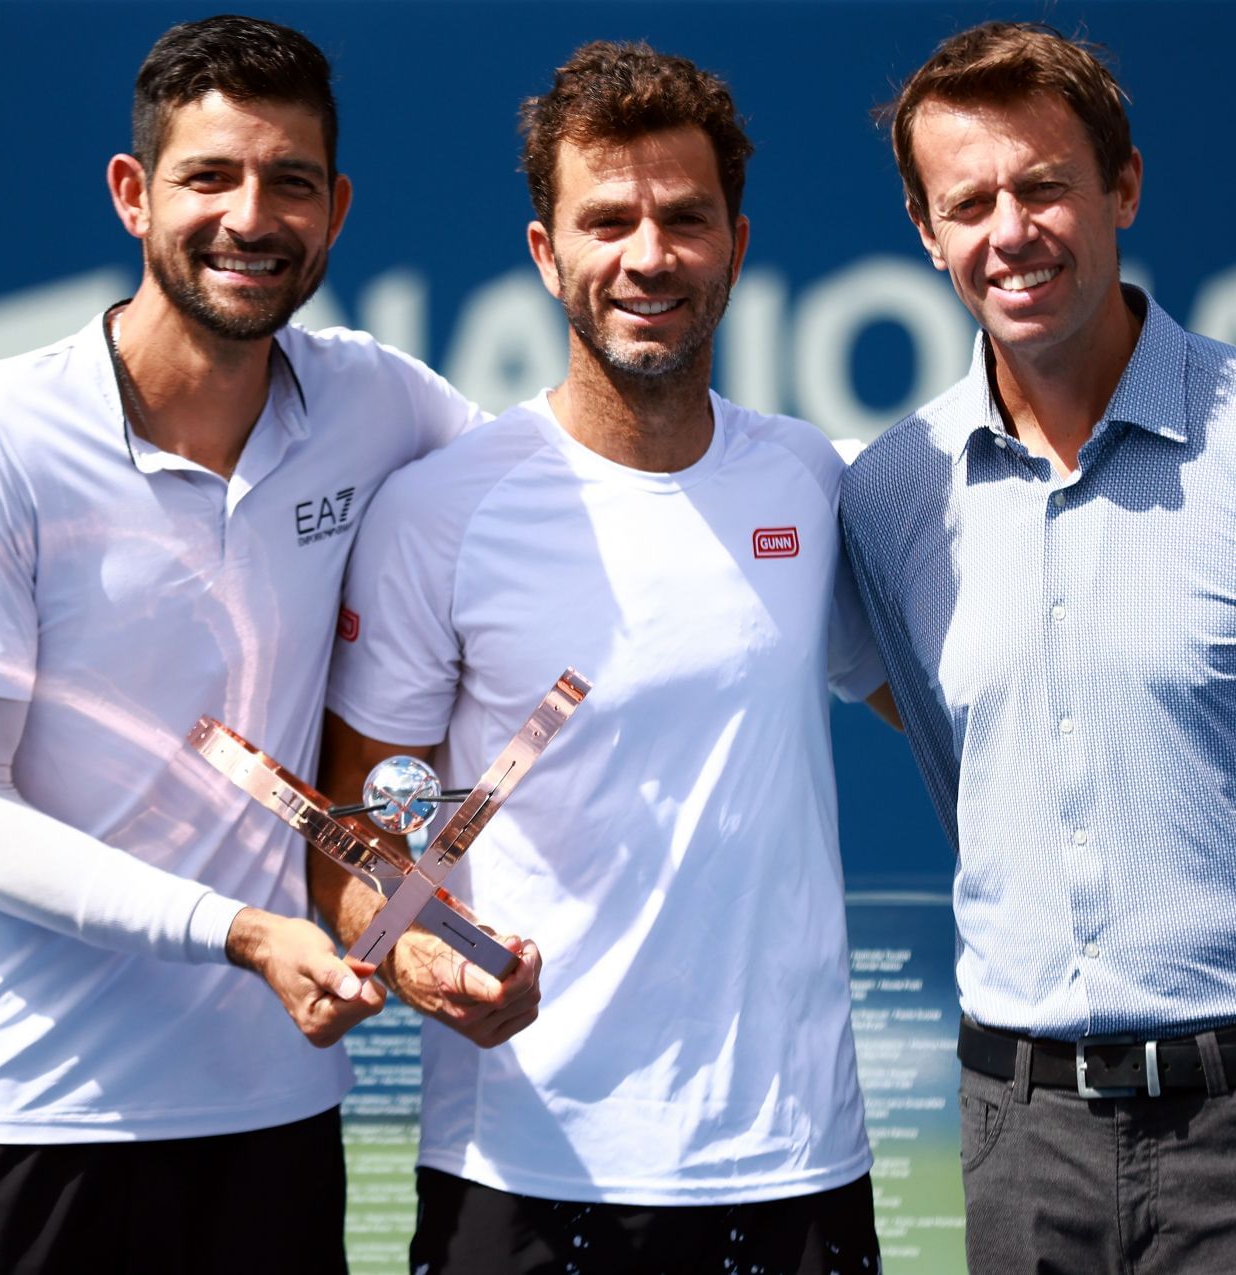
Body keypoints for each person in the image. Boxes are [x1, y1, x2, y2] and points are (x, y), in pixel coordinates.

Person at [839, 21, 1236, 1273]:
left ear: (1122, 187)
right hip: (1019, 1142)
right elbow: (964, 780)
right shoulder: (893, 496)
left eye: (1043, 186)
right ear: (927, 234)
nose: (1009, 231)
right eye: (968, 201)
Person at [0, 16, 490, 1272]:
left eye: (289, 181)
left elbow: (578, 501)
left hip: (272, 1127)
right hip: (11, 1121)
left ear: (338, 207)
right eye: (210, 177)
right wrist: (244, 930)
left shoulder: (383, 402)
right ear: (132, 192)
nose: (250, 217)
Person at [316, 40, 897, 1275]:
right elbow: (358, 841)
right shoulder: (440, 514)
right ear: (547, 254)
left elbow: (973, 715)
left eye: (685, 218)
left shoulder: (813, 479)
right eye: (609, 220)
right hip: (520, 1174)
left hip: (792, 1168)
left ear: (737, 246)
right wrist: (418, 956)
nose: (649, 255)